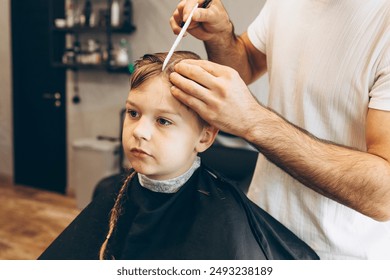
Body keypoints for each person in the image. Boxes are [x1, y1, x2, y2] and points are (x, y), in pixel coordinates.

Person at [38, 51, 319, 260]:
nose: (140, 132)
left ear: (205, 136)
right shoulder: (119, 194)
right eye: (133, 113)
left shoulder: (222, 220)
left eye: (163, 121)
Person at [169, 0, 390, 259]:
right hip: (260, 232)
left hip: (338, 257)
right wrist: (220, 36)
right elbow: (247, 63)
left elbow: (383, 194)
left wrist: (254, 122)